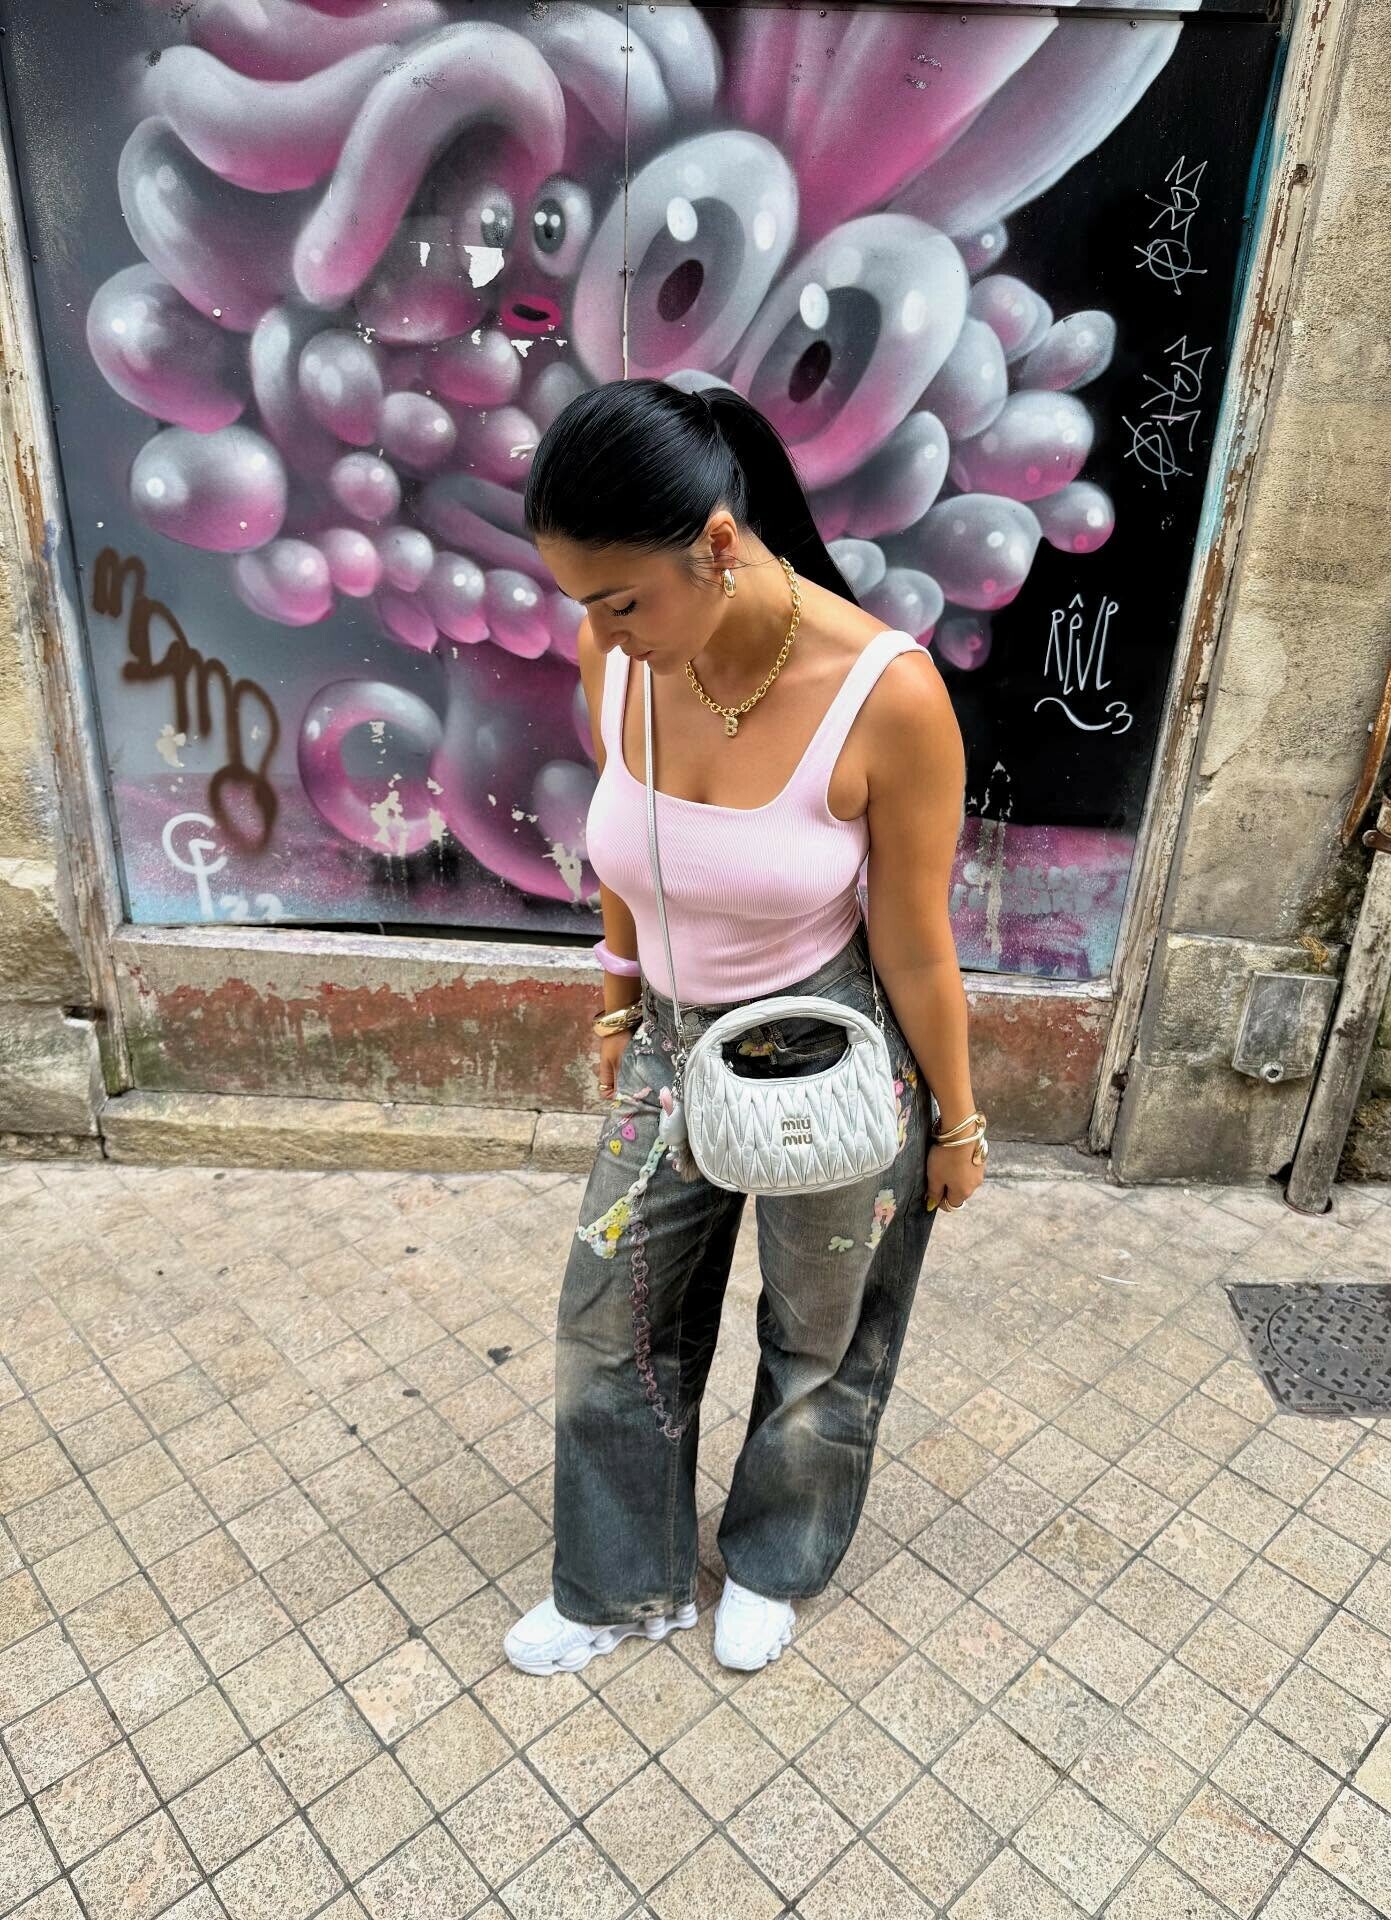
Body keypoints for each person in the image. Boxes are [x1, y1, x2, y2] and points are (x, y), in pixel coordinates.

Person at [503, 377, 983, 1679]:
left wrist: (959, 1121)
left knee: (820, 1336)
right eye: (582, 602)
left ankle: (774, 1558)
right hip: (670, 1043)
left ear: (718, 544)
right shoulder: (621, 658)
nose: (600, 633)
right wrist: (618, 993)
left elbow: (915, 939)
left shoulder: (886, 695)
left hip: (827, 1050)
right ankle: (623, 1583)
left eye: (619, 601)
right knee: (608, 1320)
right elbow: (622, 836)